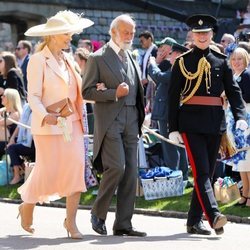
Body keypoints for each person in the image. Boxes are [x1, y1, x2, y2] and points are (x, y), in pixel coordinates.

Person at [168, 14, 247, 235]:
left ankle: (193, 221)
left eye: (206, 33)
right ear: (192, 35)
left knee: (208, 174)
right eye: (198, 33)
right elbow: (174, 96)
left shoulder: (221, 60)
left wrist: (240, 116)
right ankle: (214, 216)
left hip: (215, 124)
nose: (202, 36)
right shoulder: (182, 61)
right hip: (191, 124)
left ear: (212, 34)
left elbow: (233, 91)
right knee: (202, 172)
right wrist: (172, 127)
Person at [17, 10, 94, 238]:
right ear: (53, 35)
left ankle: (70, 223)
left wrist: (98, 92)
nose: (70, 37)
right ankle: (27, 203)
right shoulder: (38, 60)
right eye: (66, 34)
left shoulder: (69, 59)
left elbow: (78, 91)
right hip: (49, 125)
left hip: (73, 124)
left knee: (75, 171)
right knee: (46, 171)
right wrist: (45, 115)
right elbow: (33, 96)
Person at [82, 14, 146, 237]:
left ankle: (123, 224)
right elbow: (86, 91)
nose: (129, 36)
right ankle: (98, 213)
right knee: (117, 167)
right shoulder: (97, 58)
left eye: (132, 32)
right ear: (113, 32)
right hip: (110, 121)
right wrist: (112, 93)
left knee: (131, 173)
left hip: (132, 121)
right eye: (125, 32)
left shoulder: (131, 57)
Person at [148, 41, 190, 184]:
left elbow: (158, 76)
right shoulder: (178, 69)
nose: (169, 56)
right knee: (178, 145)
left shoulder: (176, 70)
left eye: (172, 54)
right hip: (170, 112)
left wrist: (152, 62)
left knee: (170, 146)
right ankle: (182, 175)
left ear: (178, 55)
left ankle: (175, 176)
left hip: (167, 113)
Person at [226, 47, 250, 207]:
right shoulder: (234, 75)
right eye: (234, 59)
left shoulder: (247, 75)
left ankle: (249, 194)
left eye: (239, 59)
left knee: (247, 158)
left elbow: (246, 97)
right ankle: (245, 192)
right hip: (234, 119)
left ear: (246, 60)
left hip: (245, 118)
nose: (236, 62)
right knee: (241, 160)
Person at [6, 103, 35, 185]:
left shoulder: (39, 107)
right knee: (10, 146)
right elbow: (20, 125)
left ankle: (17, 175)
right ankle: (21, 169)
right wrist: (12, 138)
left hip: (34, 142)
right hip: (25, 139)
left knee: (12, 148)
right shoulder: (26, 106)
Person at [0, 88, 22, 159]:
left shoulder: (16, 114)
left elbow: (1, 123)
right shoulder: (3, 111)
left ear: (10, 99)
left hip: (11, 142)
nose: (1, 97)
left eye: (4, 96)